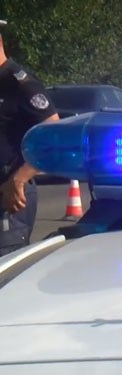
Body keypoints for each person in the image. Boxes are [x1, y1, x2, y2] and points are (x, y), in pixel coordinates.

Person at [0, 19, 59, 256]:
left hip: (9, 194)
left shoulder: (18, 82)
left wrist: (19, 179)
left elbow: (53, 131)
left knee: (6, 270)